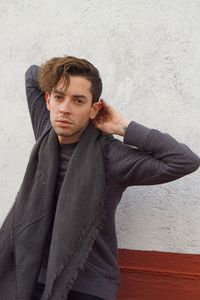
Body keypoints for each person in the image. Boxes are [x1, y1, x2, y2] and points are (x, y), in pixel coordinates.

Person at [0, 56, 199, 300]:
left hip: (86, 286)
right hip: (29, 276)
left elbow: (184, 160)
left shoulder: (111, 157)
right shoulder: (46, 132)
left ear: (94, 108)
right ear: (48, 100)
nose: (65, 108)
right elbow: (32, 75)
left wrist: (122, 126)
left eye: (78, 100)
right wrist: (62, 73)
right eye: (59, 97)